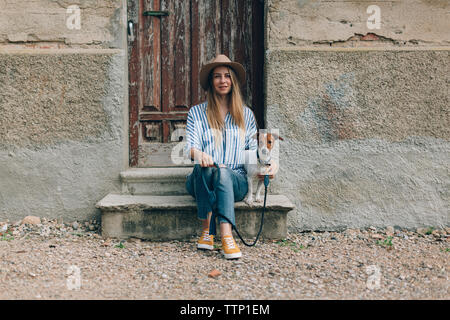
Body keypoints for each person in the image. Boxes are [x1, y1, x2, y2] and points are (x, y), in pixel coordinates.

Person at [184, 54, 278, 259]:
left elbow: (256, 149)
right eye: (217, 76)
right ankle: (208, 231)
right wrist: (199, 153)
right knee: (207, 168)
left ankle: (226, 237)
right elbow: (189, 147)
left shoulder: (246, 115)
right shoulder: (196, 113)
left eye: (227, 76)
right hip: (202, 179)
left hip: (236, 181)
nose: (223, 80)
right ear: (211, 82)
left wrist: (272, 165)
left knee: (224, 172)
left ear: (233, 81)